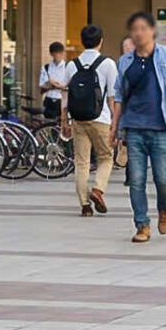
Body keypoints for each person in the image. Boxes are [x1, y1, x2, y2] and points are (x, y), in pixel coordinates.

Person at [117, 11, 166, 243]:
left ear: (152, 31)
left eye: (143, 28)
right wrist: (114, 128)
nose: (138, 33)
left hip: (161, 128)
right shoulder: (125, 61)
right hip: (134, 128)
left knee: (162, 179)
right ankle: (142, 225)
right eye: (134, 29)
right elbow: (119, 96)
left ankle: (164, 209)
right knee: (136, 179)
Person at [62, 27, 118, 216]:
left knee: (81, 162)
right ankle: (98, 189)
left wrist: (65, 121)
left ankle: (85, 206)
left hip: (78, 119)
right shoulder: (108, 64)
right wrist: (116, 123)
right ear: (101, 40)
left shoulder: (72, 65)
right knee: (106, 158)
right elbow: (112, 97)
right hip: (100, 119)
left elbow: (65, 96)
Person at [38, 41, 73, 124]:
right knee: (49, 125)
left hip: (63, 101)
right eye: (55, 53)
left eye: (59, 53)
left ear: (63, 53)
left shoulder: (68, 66)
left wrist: (59, 86)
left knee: (63, 125)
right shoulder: (46, 67)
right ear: (51, 54)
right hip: (49, 100)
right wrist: (51, 84)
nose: (58, 55)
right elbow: (42, 85)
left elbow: (71, 85)